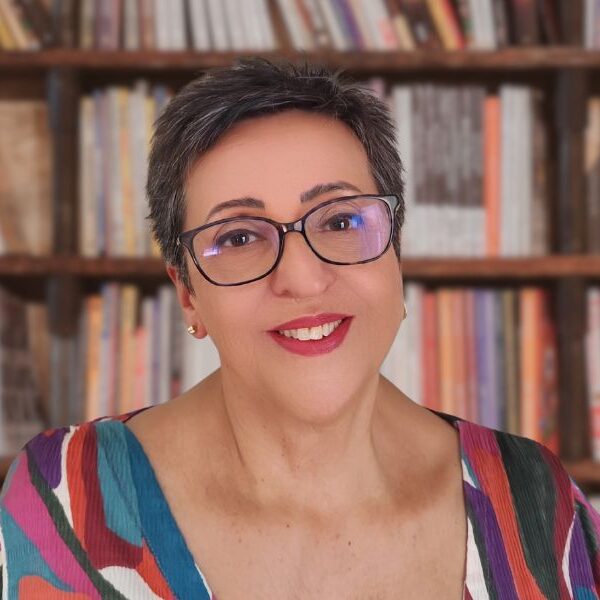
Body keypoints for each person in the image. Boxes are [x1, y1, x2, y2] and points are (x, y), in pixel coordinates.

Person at [1, 57, 599, 600]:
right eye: (239, 236)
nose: (304, 279)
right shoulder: (64, 499)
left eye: (340, 221)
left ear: (395, 251)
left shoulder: (535, 500)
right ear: (187, 294)